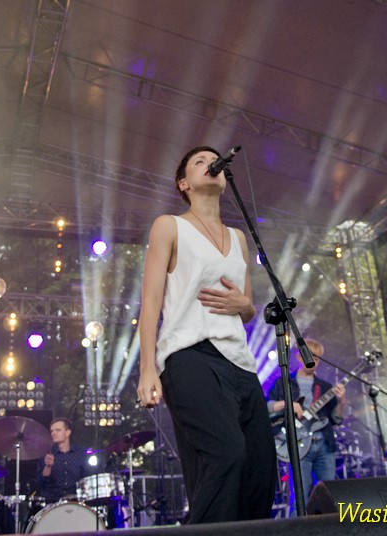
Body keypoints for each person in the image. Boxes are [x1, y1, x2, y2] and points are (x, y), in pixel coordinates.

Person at [137, 145, 277, 524]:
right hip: (189, 355)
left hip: (239, 362)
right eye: (199, 161)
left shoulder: (238, 237)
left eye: (213, 160)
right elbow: (150, 301)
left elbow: (247, 307)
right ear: (183, 183)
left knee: (261, 469)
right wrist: (147, 368)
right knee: (226, 454)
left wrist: (244, 305)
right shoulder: (169, 225)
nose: (210, 163)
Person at [266, 338, 346, 514]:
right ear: (299, 357)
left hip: (324, 445)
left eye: (317, 358)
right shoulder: (283, 383)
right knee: (299, 500)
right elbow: (267, 406)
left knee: (330, 498)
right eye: (310, 356)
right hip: (297, 445)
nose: (314, 361)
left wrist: (342, 402)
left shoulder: (325, 387)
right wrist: (288, 404)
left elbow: (336, 419)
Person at [35, 418, 89, 503]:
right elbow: (40, 483)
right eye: (52, 431)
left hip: (75, 502)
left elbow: (87, 479)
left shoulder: (81, 453)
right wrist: (48, 466)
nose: (53, 433)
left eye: (58, 430)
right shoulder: (46, 454)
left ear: (68, 432)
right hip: (52, 502)